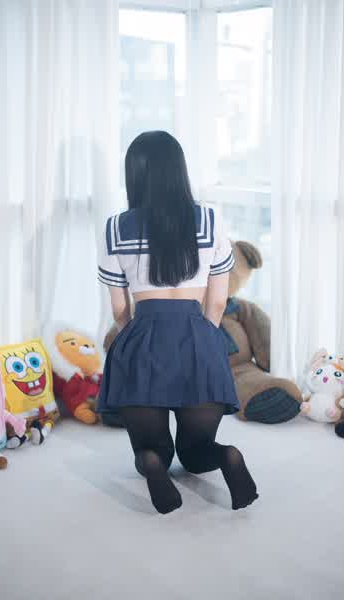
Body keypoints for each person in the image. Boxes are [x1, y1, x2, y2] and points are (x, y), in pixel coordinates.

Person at [97, 131, 258, 515]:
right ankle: (228, 456)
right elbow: (216, 302)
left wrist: (133, 342)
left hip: (143, 339)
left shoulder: (116, 227)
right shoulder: (210, 220)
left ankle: (153, 464)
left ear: (134, 174)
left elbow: (119, 309)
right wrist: (203, 341)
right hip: (197, 339)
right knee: (196, 452)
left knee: (153, 449)